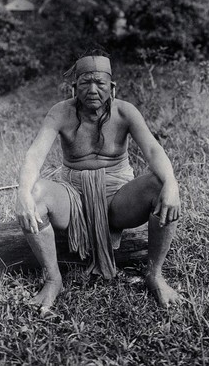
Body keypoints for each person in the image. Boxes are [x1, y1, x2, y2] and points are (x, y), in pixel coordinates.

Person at [16, 52, 181, 315]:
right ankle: (53, 279)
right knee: (35, 195)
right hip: (74, 198)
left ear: (112, 87)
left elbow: (152, 150)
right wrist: (23, 192)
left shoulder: (125, 111)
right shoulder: (60, 112)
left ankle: (155, 274)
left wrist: (172, 183)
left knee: (160, 186)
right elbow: (35, 154)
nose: (93, 89)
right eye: (85, 82)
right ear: (74, 87)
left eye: (100, 83)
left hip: (118, 198)